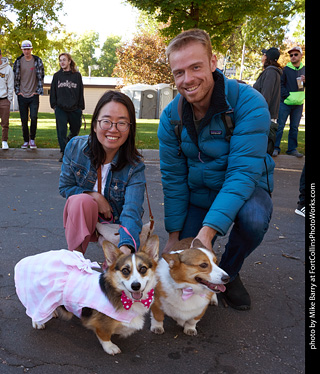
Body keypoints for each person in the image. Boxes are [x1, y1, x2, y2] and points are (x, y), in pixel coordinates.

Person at [158, 29, 274, 311]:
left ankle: (227, 274)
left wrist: (206, 235)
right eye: (179, 72)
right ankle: (201, 276)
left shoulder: (249, 104)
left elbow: (242, 175)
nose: (187, 79)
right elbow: (173, 178)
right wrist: (173, 236)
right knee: (183, 253)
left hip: (243, 188)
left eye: (195, 67)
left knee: (255, 217)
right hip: (199, 191)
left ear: (213, 62)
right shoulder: (170, 117)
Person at [59, 90, 146, 256]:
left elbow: (132, 210)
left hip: (115, 225)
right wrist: (94, 196)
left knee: (117, 276)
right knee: (81, 201)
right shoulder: (76, 147)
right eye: (106, 121)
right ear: (95, 124)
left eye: (122, 123)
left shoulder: (135, 166)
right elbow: (65, 187)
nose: (113, 129)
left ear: (130, 128)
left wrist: (125, 249)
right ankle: (75, 259)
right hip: (83, 218)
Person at [50, 53, 85, 162]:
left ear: (69, 61)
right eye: (60, 60)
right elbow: (53, 92)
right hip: (61, 108)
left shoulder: (77, 76)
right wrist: (54, 106)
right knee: (61, 132)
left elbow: (80, 92)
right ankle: (64, 153)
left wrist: (80, 107)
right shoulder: (57, 76)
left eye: (64, 60)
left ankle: (68, 142)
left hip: (74, 108)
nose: (62, 62)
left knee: (75, 129)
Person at [273, 46, 305, 157]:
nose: (293, 57)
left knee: (294, 128)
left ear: (301, 56)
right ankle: (275, 148)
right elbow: (280, 85)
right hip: (285, 103)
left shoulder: (304, 69)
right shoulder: (285, 70)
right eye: (291, 55)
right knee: (280, 126)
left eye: (296, 54)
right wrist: (287, 96)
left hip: (299, 104)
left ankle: (292, 149)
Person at [13, 40, 45, 149]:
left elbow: (41, 77)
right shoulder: (18, 61)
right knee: (23, 119)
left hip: (33, 95)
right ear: (22, 50)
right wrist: (18, 92)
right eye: (24, 49)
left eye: (28, 49)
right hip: (22, 95)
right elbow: (15, 78)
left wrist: (38, 91)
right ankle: (26, 140)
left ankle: (32, 139)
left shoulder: (37, 61)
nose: (26, 51)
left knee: (34, 117)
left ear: (31, 49)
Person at [253, 47, 282, 155]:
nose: (262, 57)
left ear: (267, 57)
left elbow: (265, 97)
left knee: (260, 152)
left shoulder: (270, 72)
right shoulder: (271, 71)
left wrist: (257, 115)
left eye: (263, 54)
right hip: (265, 117)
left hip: (264, 118)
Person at [0, 48, 14, 150]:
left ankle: (4, 141)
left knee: (5, 123)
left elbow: (10, 85)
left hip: (4, 99)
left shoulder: (7, 68)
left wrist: (9, 99)